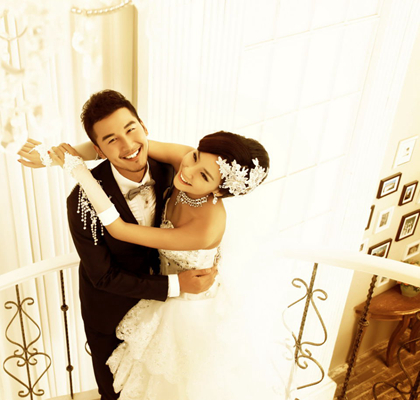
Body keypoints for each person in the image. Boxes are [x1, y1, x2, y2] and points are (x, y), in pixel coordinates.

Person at [18, 92, 281, 399]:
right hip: (113, 310)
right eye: (112, 139)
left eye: (132, 130)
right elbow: (103, 276)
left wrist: (76, 168)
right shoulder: (175, 165)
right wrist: (51, 157)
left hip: (184, 312)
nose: (189, 170)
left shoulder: (195, 208)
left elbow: (119, 229)